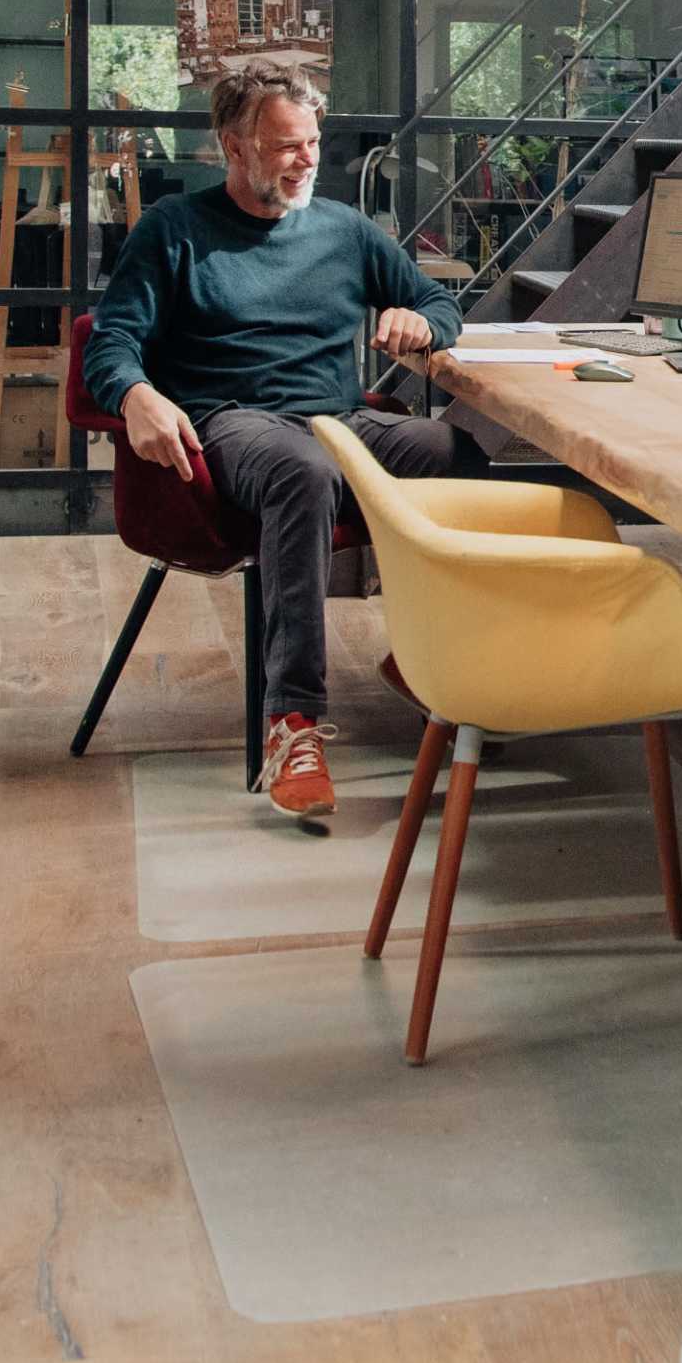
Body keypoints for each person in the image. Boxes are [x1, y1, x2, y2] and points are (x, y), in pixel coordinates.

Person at [80, 65, 479, 828]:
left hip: (341, 418)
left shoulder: (345, 230)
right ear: (232, 145)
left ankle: (433, 660)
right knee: (302, 471)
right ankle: (292, 724)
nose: (305, 160)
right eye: (285, 145)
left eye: (313, 144)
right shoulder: (174, 230)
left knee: (457, 455)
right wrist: (136, 395)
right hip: (234, 422)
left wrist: (423, 323)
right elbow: (111, 343)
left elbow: (437, 300)